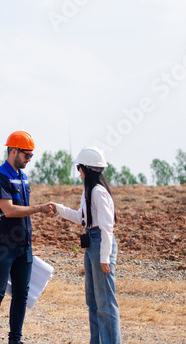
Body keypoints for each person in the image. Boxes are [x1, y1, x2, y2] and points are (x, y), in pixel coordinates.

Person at [0, 131, 55, 344]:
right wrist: (40, 208)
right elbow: (9, 210)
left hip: (24, 245)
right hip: (4, 245)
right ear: (13, 150)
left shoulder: (22, 177)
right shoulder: (0, 177)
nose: (29, 159)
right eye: (27, 155)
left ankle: (15, 339)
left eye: (31, 155)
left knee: (21, 295)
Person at [48, 146, 121, 344]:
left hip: (100, 243)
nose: (78, 171)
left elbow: (107, 227)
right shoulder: (89, 191)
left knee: (105, 302)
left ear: (86, 169)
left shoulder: (98, 192)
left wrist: (105, 257)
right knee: (93, 301)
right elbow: (82, 217)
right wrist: (59, 209)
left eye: (79, 167)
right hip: (92, 242)